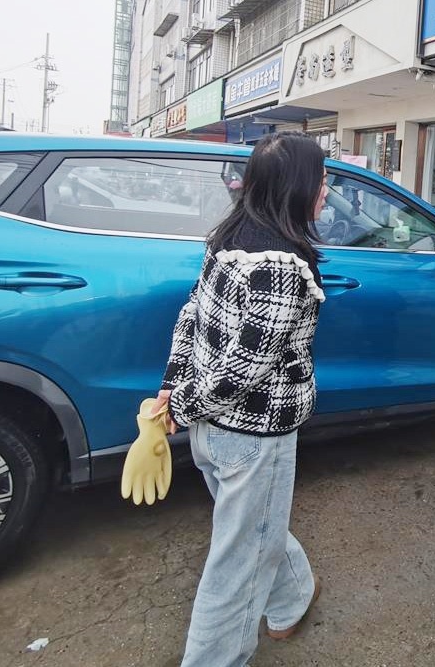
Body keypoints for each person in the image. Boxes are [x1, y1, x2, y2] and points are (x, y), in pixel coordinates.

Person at [153, 131, 328, 667]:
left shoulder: (228, 239)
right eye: (322, 180)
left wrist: (173, 387)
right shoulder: (281, 264)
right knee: (239, 563)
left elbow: (192, 315)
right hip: (253, 437)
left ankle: (291, 598)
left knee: (253, 530)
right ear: (297, 187)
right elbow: (244, 370)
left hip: (213, 432)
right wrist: (179, 404)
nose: (326, 191)